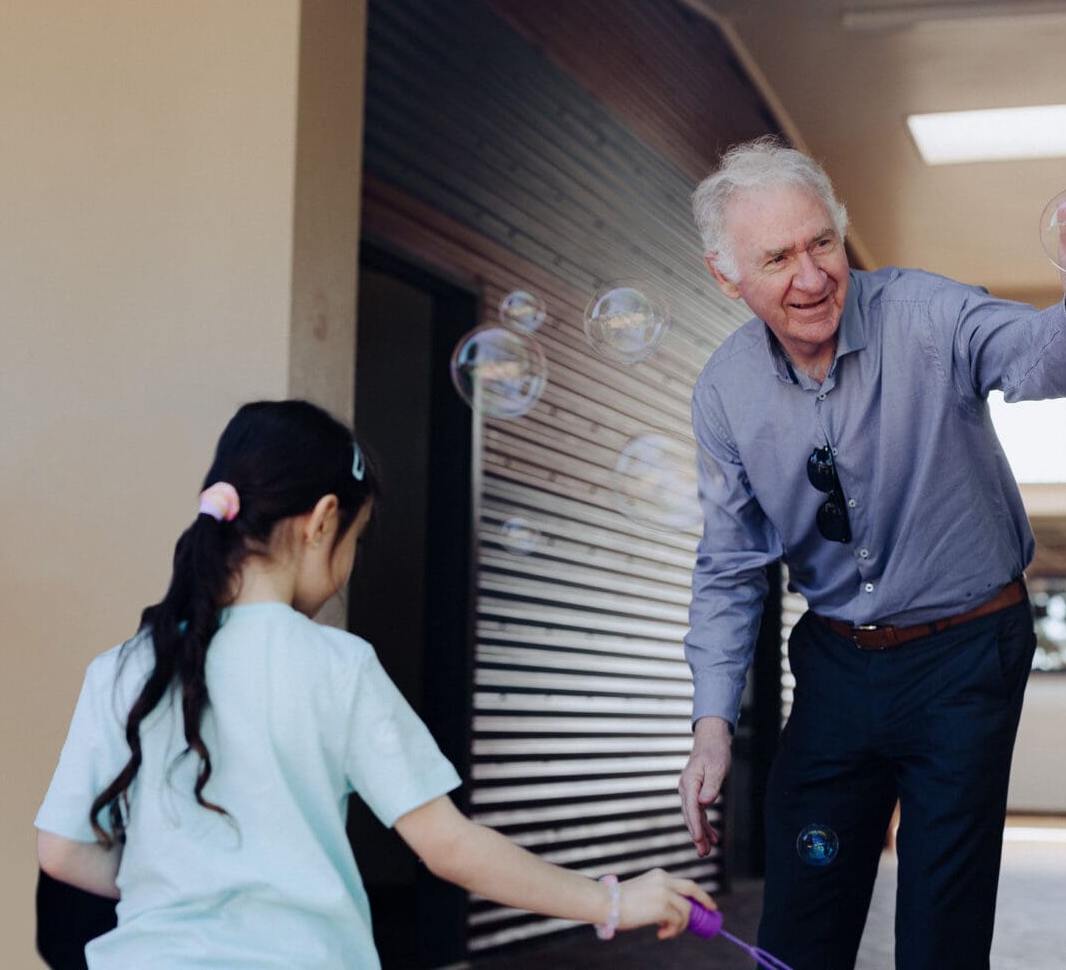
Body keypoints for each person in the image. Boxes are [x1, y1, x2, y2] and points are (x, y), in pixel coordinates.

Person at [676, 136, 1066, 969]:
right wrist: (712, 723)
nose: (812, 275)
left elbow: (1036, 355)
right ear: (729, 278)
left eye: (822, 242)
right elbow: (730, 565)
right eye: (778, 257)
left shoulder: (929, 315)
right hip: (835, 666)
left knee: (941, 930)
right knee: (800, 925)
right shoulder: (725, 393)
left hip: (967, 657)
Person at [35, 399, 713, 968]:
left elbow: (62, 851)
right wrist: (613, 901)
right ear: (323, 521)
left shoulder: (121, 667)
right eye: (355, 538)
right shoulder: (337, 665)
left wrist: (181, 880)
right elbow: (450, 847)